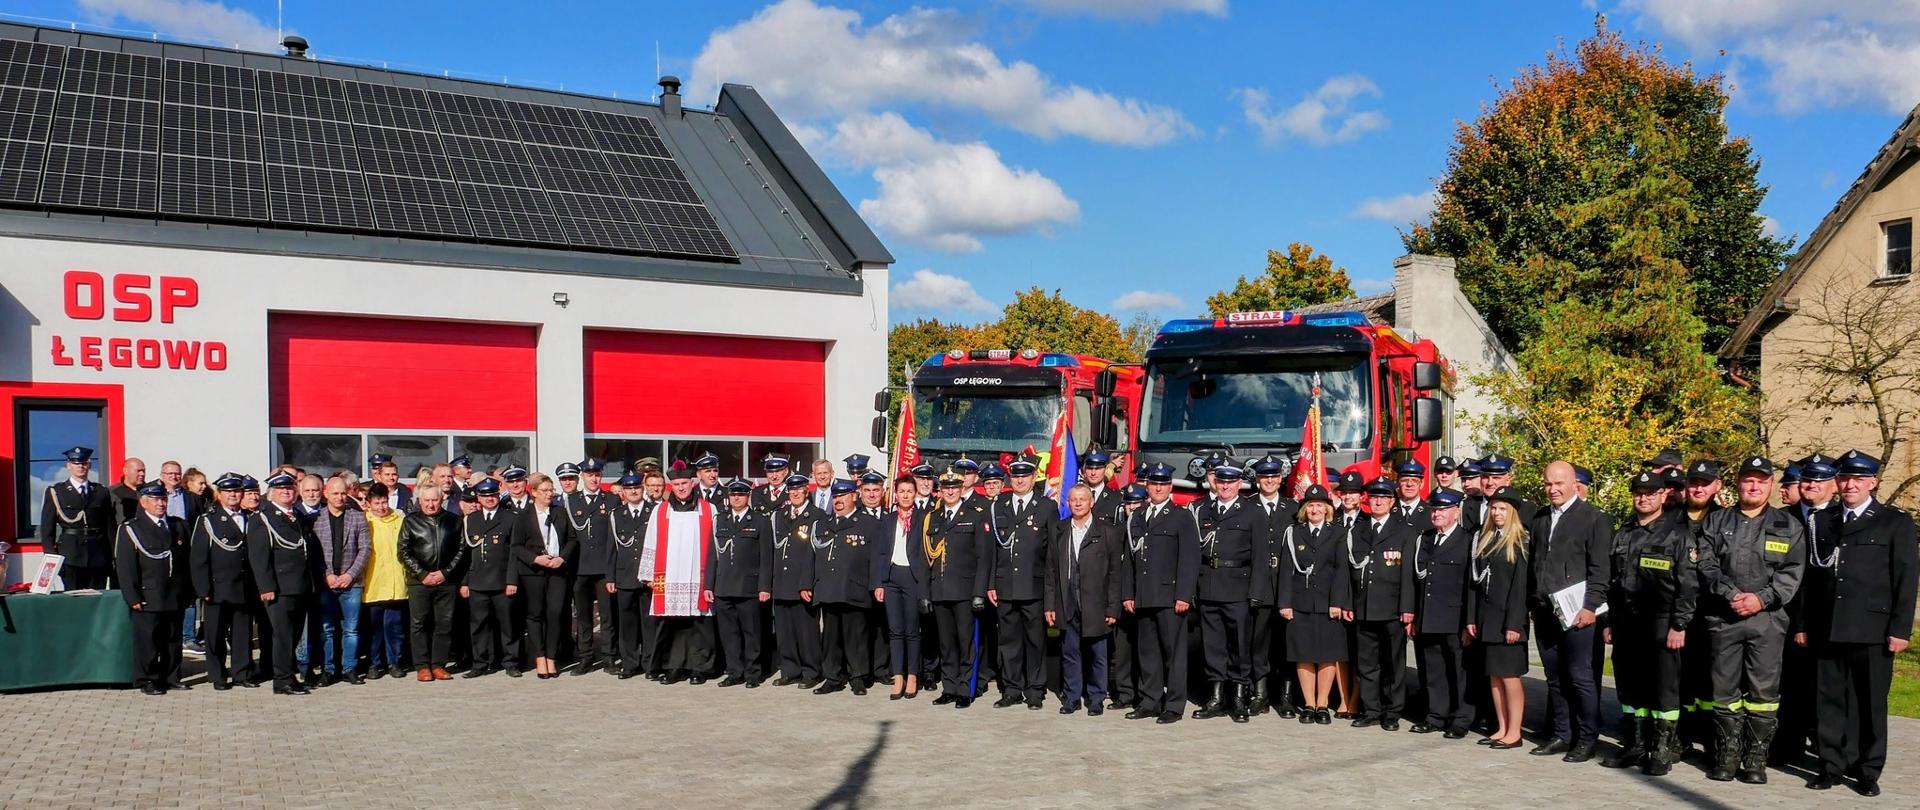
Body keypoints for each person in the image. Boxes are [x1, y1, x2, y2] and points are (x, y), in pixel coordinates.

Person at [1797, 450, 1917, 796]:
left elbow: (1905, 579)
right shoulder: (1823, 520)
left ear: (1873, 483)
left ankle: (1868, 771)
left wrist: (1899, 629)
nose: (1850, 485)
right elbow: (1811, 579)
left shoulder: (1894, 522)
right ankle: (1830, 765)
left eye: (1858, 480)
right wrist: (1804, 624)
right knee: (1829, 701)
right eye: (1845, 479)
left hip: (1872, 630)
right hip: (1827, 626)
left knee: (1870, 704)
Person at [1697, 456, 1805, 784]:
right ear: (1738, 483)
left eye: (1761, 480)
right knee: (1724, 689)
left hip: (1768, 621)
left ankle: (1755, 758)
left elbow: (1792, 572)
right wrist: (1731, 595)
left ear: (1771, 485)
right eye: (1748, 480)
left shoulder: (1789, 526)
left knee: (1764, 691)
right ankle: (1726, 756)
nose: (1754, 486)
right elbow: (1705, 563)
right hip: (1724, 618)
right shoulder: (1716, 522)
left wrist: (1761, 598)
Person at [1602, 472, 1695, 775]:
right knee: (1630, 688)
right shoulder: (1623, 533)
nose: (1643, 498)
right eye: (1639, 493)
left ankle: (1662, 750)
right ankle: (1636, 745)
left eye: (1650, 493)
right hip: (1626, 622)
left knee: (1664, 689)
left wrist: (1679, 625)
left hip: (1662, 622)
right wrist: (1609, 621)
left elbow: (1688, 585)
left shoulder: (1677, 535)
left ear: (1661, 497)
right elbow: (1611, 582)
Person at [1527, 460, 1612, 762]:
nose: (1553, 489)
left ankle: (1587, 737)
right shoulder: (1540, 519)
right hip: (1546, 611)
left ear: (1574, 484)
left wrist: (1591, 607)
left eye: (1558, 484)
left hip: (1579, 614)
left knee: (1580, 677)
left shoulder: (1594, 518)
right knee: (1555, 677)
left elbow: (1601, 568)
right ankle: (1562, 733)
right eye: (1548, 484)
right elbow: (1534, 564)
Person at [1189, 463, 1270, 723]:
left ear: (1239, 484)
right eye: (1221, 481)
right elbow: (1194, 556)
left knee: (1239, 646)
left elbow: (1260, 556)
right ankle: (1215, 697)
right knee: (1212, 646)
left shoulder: (1252, 512)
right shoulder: (1204, 510)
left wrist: (1257, 592)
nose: (1225, 486)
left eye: (1230, 482)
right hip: (1209, 586)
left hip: (1238, 588)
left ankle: (1238, 698)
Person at [1123, 463, 1200, 724]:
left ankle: (1174, 705)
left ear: (1169, 487)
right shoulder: (1137, 516)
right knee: (1147, 652)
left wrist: (1184, 595)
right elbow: (1128, 561)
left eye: (1163, 484)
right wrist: (1128, 593)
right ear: (1147, 486)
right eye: (1154, 483)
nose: (1158, 487)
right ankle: (1149, 700)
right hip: (1143, 595)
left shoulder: (1181, 516)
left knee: (1173, 654)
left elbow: (1190, 559)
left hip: (1170, 598)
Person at [1276, 484, 1350, 726]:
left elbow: (1341, 571)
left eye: (1320, 505)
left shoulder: (1337, 533)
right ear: (1304, 509)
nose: (1315, 509)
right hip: (1300, 602)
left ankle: (1322, 704)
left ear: (1327, 509)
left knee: (1327, 655)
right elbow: (1286, 570)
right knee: (1303, 654)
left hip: (1328, 603)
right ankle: (1308, 703)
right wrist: (1285, 603)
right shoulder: (1294, 533)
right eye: (1311, 506)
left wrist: (1337, 602)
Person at [1047, 483, 1122, 716]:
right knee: (1070, 652)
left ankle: (1097, 697)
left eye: (1082, 499)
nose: (1078, 503)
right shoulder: (1059, 530)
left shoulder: (1107, 531)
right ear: (1068, 503)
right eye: (1073, 500)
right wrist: (1050, 605)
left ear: (1091, 502)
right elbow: (1050, 570)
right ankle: (1071, 697)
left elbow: (1114, 574)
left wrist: (1112, 608)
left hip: (1096, 603)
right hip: (1067, 599)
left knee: (1097, 653)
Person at [988, 457, 1056, 710]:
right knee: (1009, 641)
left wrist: (1050, 591)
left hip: (1033, 586)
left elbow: (1052, 554)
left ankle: (1035, 690)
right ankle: (1012, 688)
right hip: (1005, 586)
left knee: (1035, 640)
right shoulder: (1000, 505)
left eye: (1024, 475)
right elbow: (992, 550)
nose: (1019, 479)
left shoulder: (1046, 507)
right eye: (1015, 475)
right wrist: (991, 583)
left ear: (1033, 477)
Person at [1403, 488, 1472, 738]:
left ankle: (1461, 718)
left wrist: (1469, 622)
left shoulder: (1467, 540)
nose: (1437, 514)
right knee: (1432, 670)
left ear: (1456, 512)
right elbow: (1415, 579)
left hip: (1455, 617)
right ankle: (1435, 715)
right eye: (1434, 509)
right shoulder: (1426, 539)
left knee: (1458, 671)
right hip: (1427, 615)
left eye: (1443, 509)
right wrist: (1411, 614)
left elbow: (1470, 586)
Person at [1467, 487, 1531, 749]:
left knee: (1509, 677)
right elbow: (1475, 583)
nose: (1497, 512)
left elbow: (1520, 588)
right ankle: (1502, 727)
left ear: (1513, 512)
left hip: (1508, 621)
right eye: (1494, 508)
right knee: (1494, 676)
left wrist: (1514, 623)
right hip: (1488, 619)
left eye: (1503, 508)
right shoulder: (1486, 538)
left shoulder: (1520, 541)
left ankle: (1515, 731)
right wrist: (1472, 618)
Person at [925, 469, 993, 708]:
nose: (950, 491)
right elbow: (928, 560)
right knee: (946, 644)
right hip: (940, 590)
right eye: (946, 488)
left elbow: (983, 558)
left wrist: (978, 593)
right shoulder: (933, 518)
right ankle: (950, 687)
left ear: (962, 488)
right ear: (940, 491)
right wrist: (926, 593)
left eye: (954, 487)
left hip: (965, 592)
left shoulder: (975, 515)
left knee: (966, 642)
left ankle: (966, 688)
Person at [1349, 477, 1411, 730]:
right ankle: (1371, 709)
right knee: (1366, 663)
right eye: (1374, 497)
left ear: (1392, 501)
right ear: (1367, 500)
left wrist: (1407, 608)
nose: (1378, 501)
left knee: (1393, 664)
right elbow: (1348, 570)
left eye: (1384, 498)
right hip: (1363, 606)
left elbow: (1408, 575)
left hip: (1392, 608)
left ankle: (1392, 711)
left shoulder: (1404, 531)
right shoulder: (1358, 530)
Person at [117, 481, 191, 695]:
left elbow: (185, 562)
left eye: (164, 499)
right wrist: (132, 596)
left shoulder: (178, 525)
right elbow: (126, 566)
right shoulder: (132, 528)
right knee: (148, 640)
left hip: (174, 592)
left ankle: (171, 675)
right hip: (148, 593)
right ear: (144, 502)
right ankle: (147, 679)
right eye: (156, 499)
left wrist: (187, 591)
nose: (161, 503)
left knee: (173, 639)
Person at [248, 472, 318, 696]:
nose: (286, 491)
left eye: (289, 488)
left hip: (300, 585)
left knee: (294, 635)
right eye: (281, 489)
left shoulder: (296, 515)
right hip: (280, 587)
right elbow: (259, 557)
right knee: (283, 635)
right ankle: (282, 680)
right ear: (271, 494)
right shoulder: (263, 518)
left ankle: (289, 675)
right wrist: (266, 587)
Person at [648, 465, 718, 684]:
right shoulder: (660, 511)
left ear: (692, 483)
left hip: (698, 575)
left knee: (699, 624)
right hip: (669, 576)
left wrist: (713, 579)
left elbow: (716, 546)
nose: (681, 488)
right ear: (672, 486)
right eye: (676, 485)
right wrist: (648, 574)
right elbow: (650, 541)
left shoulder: (708, 509)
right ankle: (673, 666)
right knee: (672, 623)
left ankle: (700, 668)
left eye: (684, 484)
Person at [810, 479, 879, 696]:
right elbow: (811, 558)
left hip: (854, 588)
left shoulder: (868, 523)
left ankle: (857, 677)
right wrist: (807, 584)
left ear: (854, 496)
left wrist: (875, 584)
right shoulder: (823, 523)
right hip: (828, 589)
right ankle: (833, 677)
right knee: (830, 637)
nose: (838, 500)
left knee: (856, 636)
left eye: (843, 496)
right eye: (836, 496)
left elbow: (876, 559)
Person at [190, 473, 258, 689]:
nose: (233, 495)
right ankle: (217, 675)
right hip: (218, 587)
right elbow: (198, 558)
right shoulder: (207, 521)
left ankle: (242, 673)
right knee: (215, 635)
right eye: (228, 491)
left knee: (242, 634)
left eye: (237, 491)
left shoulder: (251, 518)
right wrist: (203, 589)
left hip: (245, 586)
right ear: (219, 494)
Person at [1246, 456, 1298, 718]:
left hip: (1286, 585)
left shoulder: (1293, 509)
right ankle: (1260, 695)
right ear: (1257, 480)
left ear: (1281, 479)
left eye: (1274, 476)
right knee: (1259, 644)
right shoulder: (1247, 507)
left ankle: (1286, 697)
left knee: (1287, 644)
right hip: (1258, 586)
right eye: (1264, 476)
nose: (1269, 480)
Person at [706, 480, 772, 688]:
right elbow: (712, 555)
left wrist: (764, 587)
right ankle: (734, 671)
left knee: (751, 632)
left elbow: (766, 557)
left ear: (748, 496)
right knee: (729, 633)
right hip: (724, 586)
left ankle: (753, 673)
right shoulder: (720, 520)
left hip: (749, 587)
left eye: (741, 494)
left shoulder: (760, 521)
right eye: (733, 494)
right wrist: (709, 585)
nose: (736, 498)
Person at [398, 484, 461, 682]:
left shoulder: (454, 521)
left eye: (434, 500)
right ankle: (422, 666)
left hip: (446, 581)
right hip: (420, 582)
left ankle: (439, 665)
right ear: (419, 501)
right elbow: (403, 552)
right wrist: (423, 573)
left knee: (444, 624)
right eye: (426, 501)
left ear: (441, 499)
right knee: (419, 624)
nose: (431, 504)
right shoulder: (410, 521)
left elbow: (462, 549)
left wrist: (445, 572)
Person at [514, 474, 574, 679]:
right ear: (534, 493)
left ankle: (551, 655)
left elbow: (572, 540)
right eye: (545, 490)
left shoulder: (560, 512)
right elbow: (516, 546)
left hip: (557, 570)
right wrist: (535, 559)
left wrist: (562, 558)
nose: (550, 494)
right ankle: (539, 656)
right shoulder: (523, 516)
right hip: (534, 572)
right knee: (535, 614)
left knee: (555, 612)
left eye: (551, 490)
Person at [460, 479, 522, 678]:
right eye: (485, 496)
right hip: (477, 580)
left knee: (508, 624)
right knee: (478, 624)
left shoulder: (510, 518)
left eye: (493, 495)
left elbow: (514, 553)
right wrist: (464, 582)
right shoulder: (472, 519)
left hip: (502, 580)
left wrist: (512, 580)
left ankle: (511, 662)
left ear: (498, 496)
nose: (489, 499)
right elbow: (466, 554)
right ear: (478, 498)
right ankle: (480, 663)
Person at [311, 476, 369, 686]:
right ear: (326, 494)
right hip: (326, 582)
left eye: (343, 493)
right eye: (335, 493)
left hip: (351, 583)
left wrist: (350, 575)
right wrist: (327, 575)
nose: (340, 497)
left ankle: (349, 668)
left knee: (351, 629)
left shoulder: (357, 516)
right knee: (327, 628)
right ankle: (328, 670)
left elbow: (365, 549)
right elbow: (314, 553)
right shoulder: (317, 518)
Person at [565, 458, 618, 676]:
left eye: (596, 474)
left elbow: (615, 537)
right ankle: (585, 657)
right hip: (580, 567)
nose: (593, 478)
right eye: (589, 475)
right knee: (583, 617)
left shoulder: (612, 499)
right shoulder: (572, 501)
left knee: (607, 617)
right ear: (582, 477)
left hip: (604, 568)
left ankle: (609, 658)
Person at [770, 473, 824, 688]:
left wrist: (807, 582)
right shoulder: (779, 515)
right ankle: (789, 670)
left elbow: (815, 554)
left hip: (804, 584)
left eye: (799, 489)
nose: (794, 493)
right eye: (791, 490)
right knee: (785, 632)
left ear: (805, 491)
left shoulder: (817, 515)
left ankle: (811, 671)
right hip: (782, 582)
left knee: (807, 632)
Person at [878, 478, 927, 700]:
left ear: (916, 493)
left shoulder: (922, 519)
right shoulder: (887, 520)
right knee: (895, 630)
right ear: (895, 494)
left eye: (909, 491)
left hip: (912, 577)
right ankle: (898, 676)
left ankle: (913, 675)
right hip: (891, 578)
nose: (905, 495)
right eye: (901, 491)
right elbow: (879, 553)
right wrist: (878, 583)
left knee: (912, 630)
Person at [606, 471, 658, 679]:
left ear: (642, 488)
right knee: (627, 623)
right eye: (629, 488)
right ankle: (629, 663)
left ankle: (649, 663)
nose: (633, 491)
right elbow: (612, 548)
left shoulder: (654, 511)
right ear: (623, 492)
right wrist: (610, 577)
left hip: (648, 577)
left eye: (636, 487)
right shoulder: (616, 514)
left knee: (649, 623)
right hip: (625, 575)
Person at [39, 446, 114, 589]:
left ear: (89, 465)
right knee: (73, 602)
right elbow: (47, 531)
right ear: (68, 466)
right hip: (70, 556)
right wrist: (53, 560)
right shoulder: (56, 492)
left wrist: (112, 557)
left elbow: (109, 528)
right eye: (76, 463)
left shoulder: (101, 492)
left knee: (98, 601)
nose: (80, 466)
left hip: (98, 556)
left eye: (84, 463)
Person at [360, 482, 409, 680]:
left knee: (394, 626)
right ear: (369, 503)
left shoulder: (399, 518)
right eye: (377, 503)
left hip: (396, 581)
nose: (381, 507)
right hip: (373, 581)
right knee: (374, 628)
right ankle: (374, 662)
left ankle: (394, 662)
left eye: (384, 502)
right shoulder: (365, 520)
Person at [1392, 460, 1432, 531]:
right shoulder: (1388, 510)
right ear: (1398, 482)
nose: (1409, 484)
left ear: (1421, 484)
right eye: (1404, 480)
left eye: (1414, 481)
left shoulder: (1431, 513)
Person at [109, 456, 147, 530]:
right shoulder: (113, 492)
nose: (142, 474)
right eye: (138, 471)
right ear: (125, 471)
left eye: (143, 471)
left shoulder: (149, 491)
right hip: (123, 534)